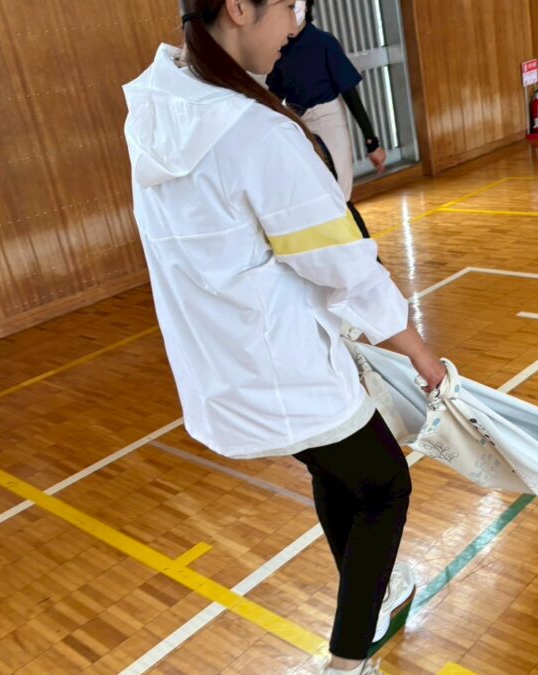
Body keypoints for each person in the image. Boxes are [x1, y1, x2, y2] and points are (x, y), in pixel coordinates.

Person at [122, 2, 445, 673]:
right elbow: (341, 265)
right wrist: (418, 349)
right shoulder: (254, 133)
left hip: (226, 367)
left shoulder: (158, 107)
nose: (295, 29)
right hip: (285, 364)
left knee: (333, 468)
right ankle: (349, 654)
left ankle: (374, 593)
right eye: (288, 11)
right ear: (240, 7)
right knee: (386, 484)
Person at [266, 0, 387, 203]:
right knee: (310, 190)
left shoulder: (324, 43)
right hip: (298, 122)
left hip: (328, 119)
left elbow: (350, 94)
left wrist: (371, 142)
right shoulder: (279, 49)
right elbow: (274, 97)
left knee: (340, 191)